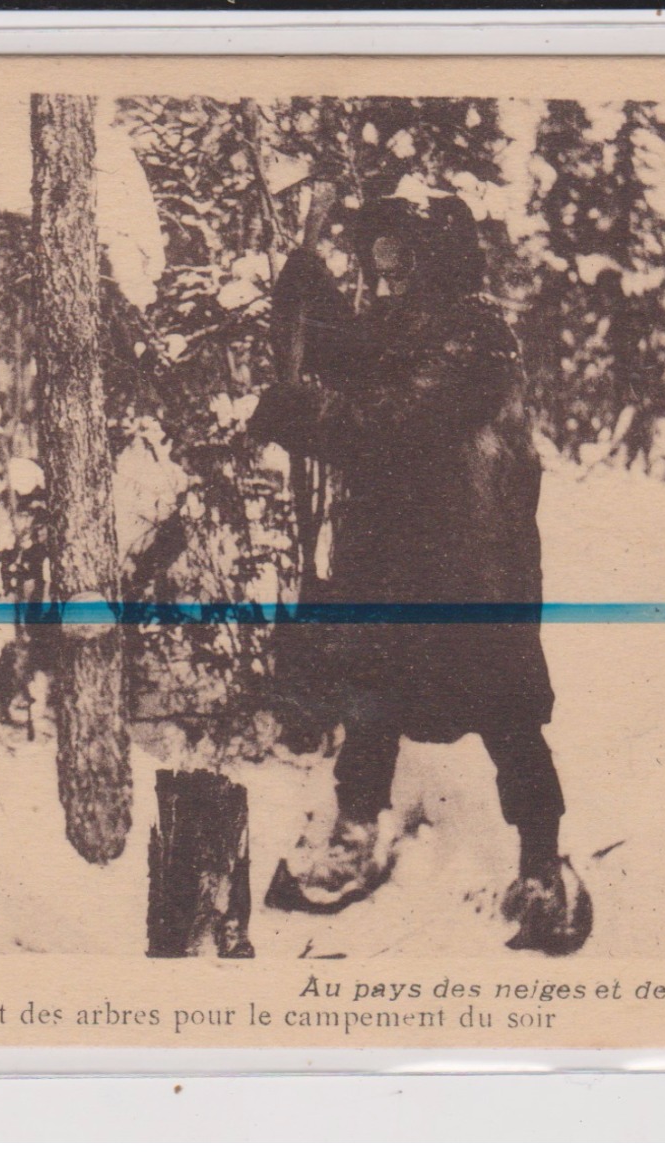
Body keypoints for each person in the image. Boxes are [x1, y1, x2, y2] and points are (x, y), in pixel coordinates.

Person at [252, 189, 590, 954]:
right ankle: (355, 836)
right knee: (370, 698)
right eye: (376, 256)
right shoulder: (407, 325)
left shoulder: (476, 334)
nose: (386, 271)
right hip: (391, 562)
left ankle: (541, 866)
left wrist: (301, 414)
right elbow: (351, 349)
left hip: (469, 571)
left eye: (400, 256)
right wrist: (309, 286)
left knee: (507, 716)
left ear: (436, 257)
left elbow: (398, 422)